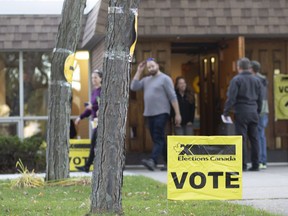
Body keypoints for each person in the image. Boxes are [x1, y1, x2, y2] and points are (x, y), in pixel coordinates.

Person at [130, 58, 181, 171]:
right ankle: (169, 163)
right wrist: (139, 71)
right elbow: (133, 87)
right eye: (148, 67)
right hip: (149, 114)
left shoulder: (165, 79)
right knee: (158, 139)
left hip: (162, 113)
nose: (150, 68)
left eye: (152, 66)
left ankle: (153, 161)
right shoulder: (146, 80)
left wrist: (177, 114)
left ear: (157, 65)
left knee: (158, 137)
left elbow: (173, 97)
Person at [223, 57, 263, 171]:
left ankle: (242, 165)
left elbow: (231, 97)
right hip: (253, 111)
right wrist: (258, 110)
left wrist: (226, 111)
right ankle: (256, 164)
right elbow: (260, 99)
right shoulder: (256, 80)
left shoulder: (236, 80)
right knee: (254, 138)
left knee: (241, 138)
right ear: (249, 67)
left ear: (238, 67)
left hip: (241, 111)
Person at [74, 70, 102, 172]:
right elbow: (90, 109)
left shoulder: (102, 91)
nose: (93, 79)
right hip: (95, 121)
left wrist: (94, 107)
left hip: (101, 122)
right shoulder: (94, 92)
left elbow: (102, 106)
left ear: (101, 79)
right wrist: (80, 117)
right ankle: (89, 166)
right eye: (92, 77)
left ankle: (87, 166)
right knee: (95, 144)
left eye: (96, 77)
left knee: (94, 143)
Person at [250, 61, 269, 169]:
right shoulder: (263, 79)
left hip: (259, 110)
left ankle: (261, 160)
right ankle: (262, 160)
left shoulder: (256, 80)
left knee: (259, 135)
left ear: (252, 69)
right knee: (261, 135)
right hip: (264, 110)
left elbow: (258, 97)